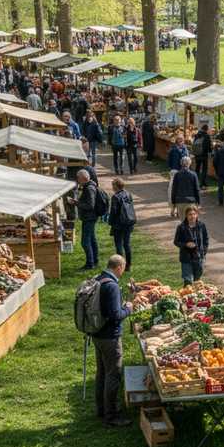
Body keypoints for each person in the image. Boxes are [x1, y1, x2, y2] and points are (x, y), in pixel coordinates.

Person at [92, 253, 133, 427]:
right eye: (123, 269)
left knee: (101, 373)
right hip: (110, 337)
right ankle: (112, 416)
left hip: (97, 334)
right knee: (113, 375)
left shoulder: (99, 279)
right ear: (119, 267)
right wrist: (128, 309)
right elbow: (115, 315)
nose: (122, 272)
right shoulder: (112, 287)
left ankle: (101, 409)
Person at [73, 169, 101, 271]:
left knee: (85, 242)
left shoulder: (89, 188)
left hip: (89, 218)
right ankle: (95, 260)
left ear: (83, 178)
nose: (77, 180)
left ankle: (90, 264)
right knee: (92, 240)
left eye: (78, 178)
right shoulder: (89, 186)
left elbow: (90, 205)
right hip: (90, 217)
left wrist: (76, 203)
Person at [173, 204, 209, 285]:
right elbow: (176, 241)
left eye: (194, 214)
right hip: (186, 258)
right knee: (188, 280)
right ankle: (186, 296)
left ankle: (194, 296)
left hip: (199, 257)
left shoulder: (201, 226)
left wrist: (204, 251)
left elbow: (206, 239)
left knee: (197, 281)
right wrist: (186, 244)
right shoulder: (181, 227)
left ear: (197, 214)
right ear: (186, 215)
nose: (192, 216)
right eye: (190, 214)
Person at [108, 177, 135, 273]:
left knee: (119, 245)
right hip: (128, 222)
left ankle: (120, 266)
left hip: (119, 225)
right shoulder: (128, 194)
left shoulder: (115, 197)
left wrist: (110, 222)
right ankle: (128, 266)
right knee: (127, 244)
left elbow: (113, 212)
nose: (112, 187)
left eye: (113, 185)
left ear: (116, 186)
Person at [171, 156, 200, 220]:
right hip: (191, 202)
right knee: (191, 222)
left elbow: (174, 189)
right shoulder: (193, 174)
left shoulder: (177, 175)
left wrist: (173, 203)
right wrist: (198, 202)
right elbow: (197, 189)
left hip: (180, 201)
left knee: (183, 221)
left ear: (181, 163)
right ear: (189, 163)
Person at [167, 133, 189, 218]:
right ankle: (173, 209)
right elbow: (169, 161)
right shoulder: (173, 149)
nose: (180, 141)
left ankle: (179, 211)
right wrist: (172, 169)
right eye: (179, 140)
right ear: (176, 141)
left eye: (182, 140)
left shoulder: (185, 148)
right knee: (172, 191)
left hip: (182, 172)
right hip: (175, 171)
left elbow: (188, 160)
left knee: (181, 192)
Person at [192, 123, 212, 189]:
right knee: (204, 169)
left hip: (197, 154)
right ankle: (202, 183)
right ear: (207, 129)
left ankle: (195, 182)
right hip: (204, 155)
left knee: (197, 168)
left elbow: (194, 144)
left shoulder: (197, 135)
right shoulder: (207, 136)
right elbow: (209, 146)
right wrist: (210, 151)